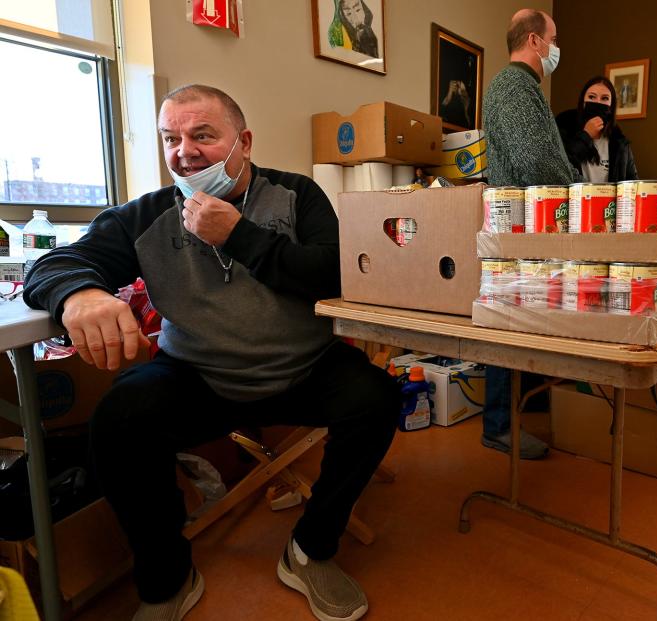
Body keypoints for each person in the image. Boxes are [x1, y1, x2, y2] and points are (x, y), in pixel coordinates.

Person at [23, 84, 399, 621]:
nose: (184, 150)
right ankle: (168, 576)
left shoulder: (297, 194)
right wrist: (80, 294)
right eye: (170, 138)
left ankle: (311, 549)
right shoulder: (145, 214)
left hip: (304, 369)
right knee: (118, 419)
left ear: (242, 141)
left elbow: (333, 273)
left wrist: (239, 236)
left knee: (378, 398)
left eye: (202, 134)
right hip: (197, 374)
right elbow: (55, 263)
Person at [481, 9, 578, 460]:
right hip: (517, 228)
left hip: (525, 225)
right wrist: (578, 191)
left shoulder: (522, 89)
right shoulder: (512, 87)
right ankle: (499, 426)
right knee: (508, 326)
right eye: (554, 39)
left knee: (517, 323)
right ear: (536, 41)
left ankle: (510, 417)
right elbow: (535, 161)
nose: (556, 48)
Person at [555, 76, 638, 183]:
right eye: (592, 97)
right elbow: (558, 166)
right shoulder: (564, 127)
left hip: (609, 199)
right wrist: (586, 135)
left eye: (604, 98)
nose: (597, 102)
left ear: (611, 105)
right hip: (575, 198)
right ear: (582, 101)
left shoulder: (619, 141)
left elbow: (632, 181)